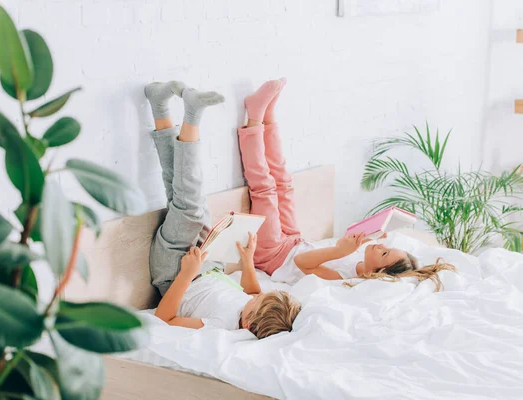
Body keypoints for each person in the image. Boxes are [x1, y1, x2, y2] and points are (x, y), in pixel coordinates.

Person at [238, 78, 455, 290]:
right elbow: (331, 250)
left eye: (384, 254)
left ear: (376, 273)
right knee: (284, 184)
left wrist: (340, 251)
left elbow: (301, 263)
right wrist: (362, 238)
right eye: (388, 248)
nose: (381, 247)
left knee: (266, 189)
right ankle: (268, 117)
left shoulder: (342, 279)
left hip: (272, 255)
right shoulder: (359, 261)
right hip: (293, 241)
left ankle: (255, 117)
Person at [144, 81, 301, 338]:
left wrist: (187, 274)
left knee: (190, 206)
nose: (259, 295)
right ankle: (159, 104)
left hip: (175, 273)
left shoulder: (222, 326)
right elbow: (251, 293)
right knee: (181, 193)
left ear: (248, 324)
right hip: (207, 262)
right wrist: (248, 262)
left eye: (259, 301)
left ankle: (192, 114)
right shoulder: (253, 308)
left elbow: (165, 318)